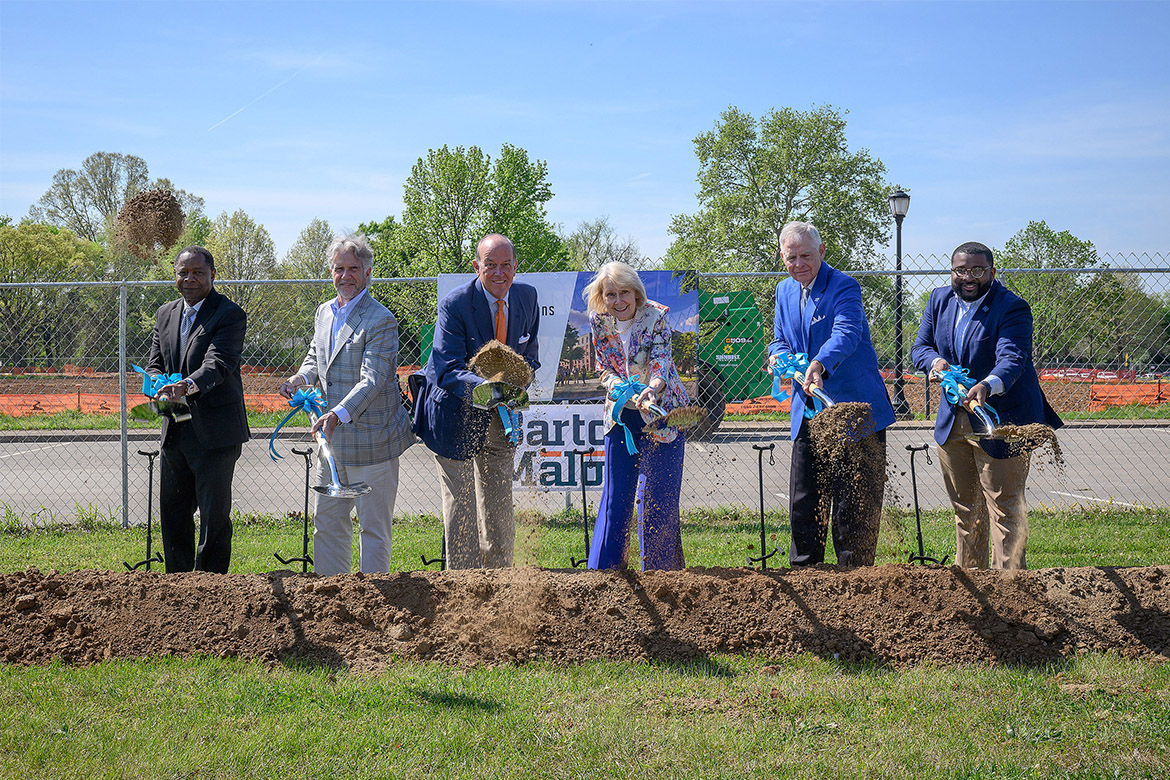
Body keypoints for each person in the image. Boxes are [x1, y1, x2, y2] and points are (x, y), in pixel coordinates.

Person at [911, 241, 1062, 570]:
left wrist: (986, 385)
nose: (969, 277)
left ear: (992, 273)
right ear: (951, 271)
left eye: (977, 271)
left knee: (1005, 507)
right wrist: (935, 361)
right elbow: (920, 346)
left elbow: (1013, 358)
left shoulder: (1011, 307)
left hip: (1002, 418)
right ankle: (972, 585)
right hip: (954, 418)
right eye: (961, 270)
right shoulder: (938, 300)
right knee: (966, 510)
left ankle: (1011, 591)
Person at [279, 234, 415, 576]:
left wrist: (336, 415)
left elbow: (372, 380)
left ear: (368, 273)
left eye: (354, 268)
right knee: (327, 524)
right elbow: (315, 358)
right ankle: (331, 594)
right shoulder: (324, 312)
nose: (346, 275)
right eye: (340, 268)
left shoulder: (381, 320)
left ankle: (375, 601)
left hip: (373, 442)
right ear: (331, 271)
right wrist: (300, 379)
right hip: (333, 445)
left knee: (373, 530)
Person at [767, 221, 895, 566]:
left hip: (853, 410)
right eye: (791, 257)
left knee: (853, 504)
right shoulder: (784, 291)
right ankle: (807, 573)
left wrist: (820, 364)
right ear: (783, 257)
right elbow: (780, 337)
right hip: (809, 410)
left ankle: (854, 577)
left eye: (806, 255)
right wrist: (777, 356)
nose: (799, 264)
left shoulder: (843, 287)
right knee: (804, 500)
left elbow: (847, 333)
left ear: (821, 252)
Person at [413, 234, 540, 569]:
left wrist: (521, 379)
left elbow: (530, 355)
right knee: (463, 503)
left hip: (500, 419)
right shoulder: (456, 304)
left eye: (505, 265)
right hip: (455, 414)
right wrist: (493, 389)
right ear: (476, 266)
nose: (499, 273)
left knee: (499, 503)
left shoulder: (527, 298)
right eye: (490, 265)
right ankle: (465, 586)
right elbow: (447, 369)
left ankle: (499, 580)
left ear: (515, 266)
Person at [147, 246, 249, 573]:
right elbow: (155, 362)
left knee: (213, 518)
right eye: (183, 272)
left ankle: (210, 589)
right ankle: (177, 588)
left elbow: (217, 364)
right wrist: (153, 381)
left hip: (215, 432)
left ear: (212, 275)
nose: (190, 279)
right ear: (174, 274)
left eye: (198, 273)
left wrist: (185, 385)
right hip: (175, 427)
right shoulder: (165, 313)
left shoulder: (229, 313)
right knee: (173, 514)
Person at [584, 262, 689, 571]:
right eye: (611, 294)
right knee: (617, 498)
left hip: (660, 412)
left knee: (658, 499)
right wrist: (622, 389)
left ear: (636, 293)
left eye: (624, 293)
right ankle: (605, 573)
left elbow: (662, 360)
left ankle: (660, 574)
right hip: (621, 415)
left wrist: (651, 389)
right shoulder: (598, 321)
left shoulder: (657, 316)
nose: (618, 302)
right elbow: (604, 368)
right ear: (603, 296)